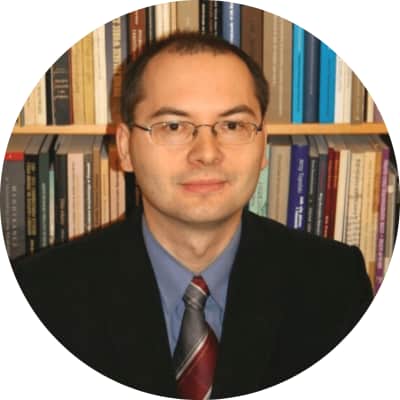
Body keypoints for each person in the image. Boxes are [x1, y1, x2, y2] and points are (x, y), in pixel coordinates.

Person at [13, 32, 373, 399]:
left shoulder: (336, 284)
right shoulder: (40, 296)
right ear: (125, 148)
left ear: (263, 145)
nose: (206, 153)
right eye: (173, 126)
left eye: (232, 125)